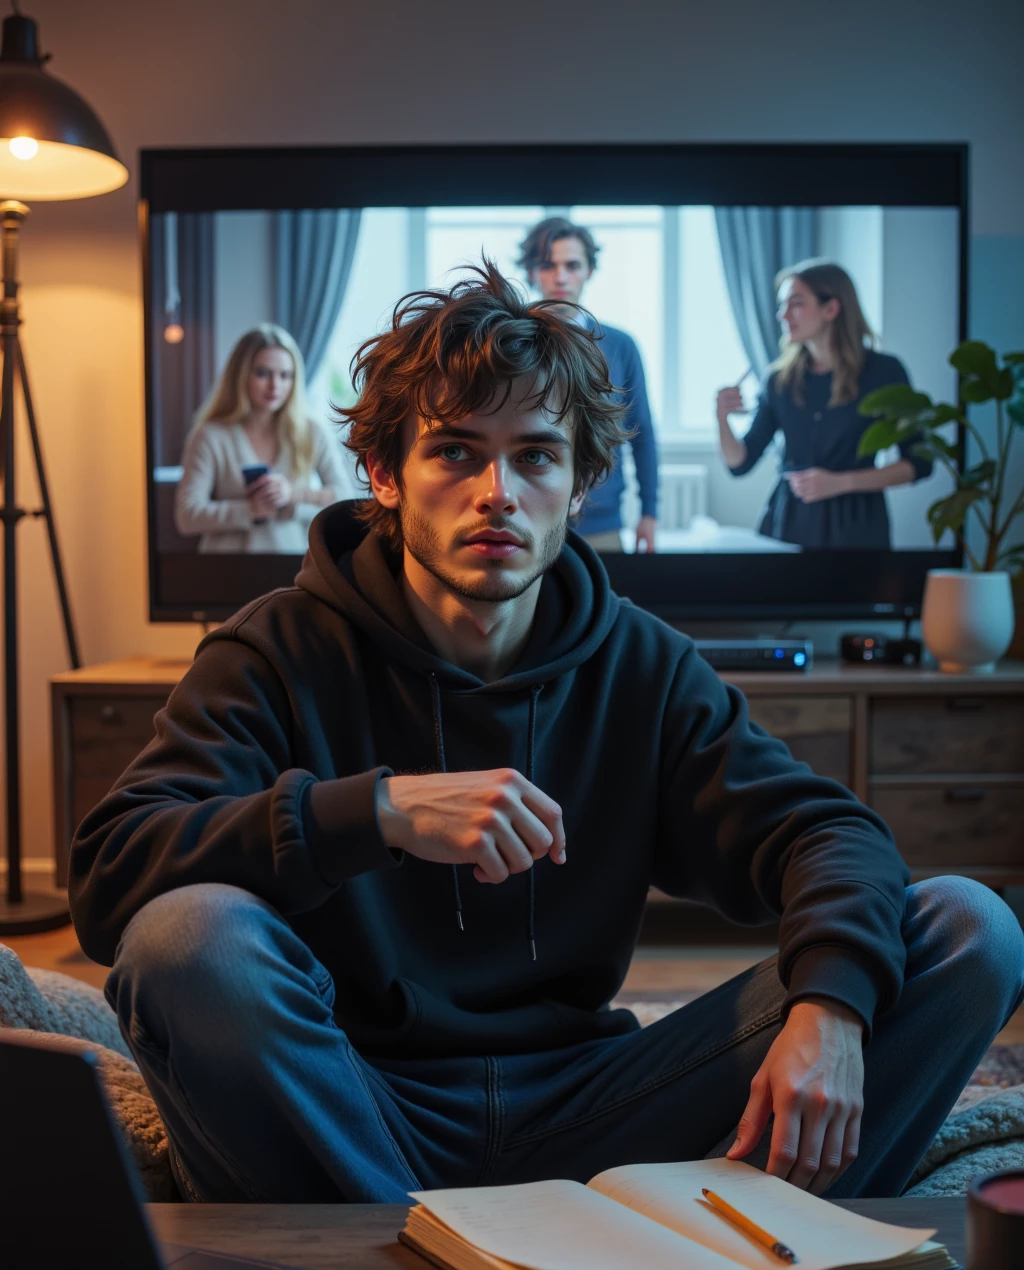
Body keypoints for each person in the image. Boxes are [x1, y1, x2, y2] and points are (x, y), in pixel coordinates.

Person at [71, 264, 1023, 1207]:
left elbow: (828, 834)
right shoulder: (273, 649)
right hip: (354, 1102)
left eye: (535, 455)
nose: (497, 491)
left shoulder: (641, 665)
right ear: (384, 476)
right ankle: (402, 1266)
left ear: (578, 487)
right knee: (187, 936)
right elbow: (115, 871)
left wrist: (833, 1006)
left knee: (967, 930)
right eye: (453, 451)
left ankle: (756, 1254)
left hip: (596, 1105)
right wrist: (376, 810)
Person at [716, 260, 932, 549]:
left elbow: (920, 463)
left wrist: (841, 483)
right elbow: (740, 463)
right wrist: (722, 419)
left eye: (796, 304)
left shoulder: (885, 372)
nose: (783, 315)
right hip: (788, 526)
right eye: (783, 305)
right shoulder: (778, 380)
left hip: (858, 532)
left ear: (831, 309)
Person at [518, 216, 658, 552]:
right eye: (548, 265)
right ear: (532, 271)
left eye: (572, 264)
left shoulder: (620, 345)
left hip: (601, 524)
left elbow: (642, 432)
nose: (561, 276)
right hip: (525, 516)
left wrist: (650, 513)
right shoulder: (508, 340)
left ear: (589, 270)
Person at [175, 324, 345, 554]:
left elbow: (346, 500)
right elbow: (187, 516)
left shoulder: (312, 432)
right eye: (263, 373)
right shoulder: (210, 435)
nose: (275, 385)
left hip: (295, 569)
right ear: (241, 376)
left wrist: (293, 498)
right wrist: (249, 510)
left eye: (285, 375)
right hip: (224, 571)